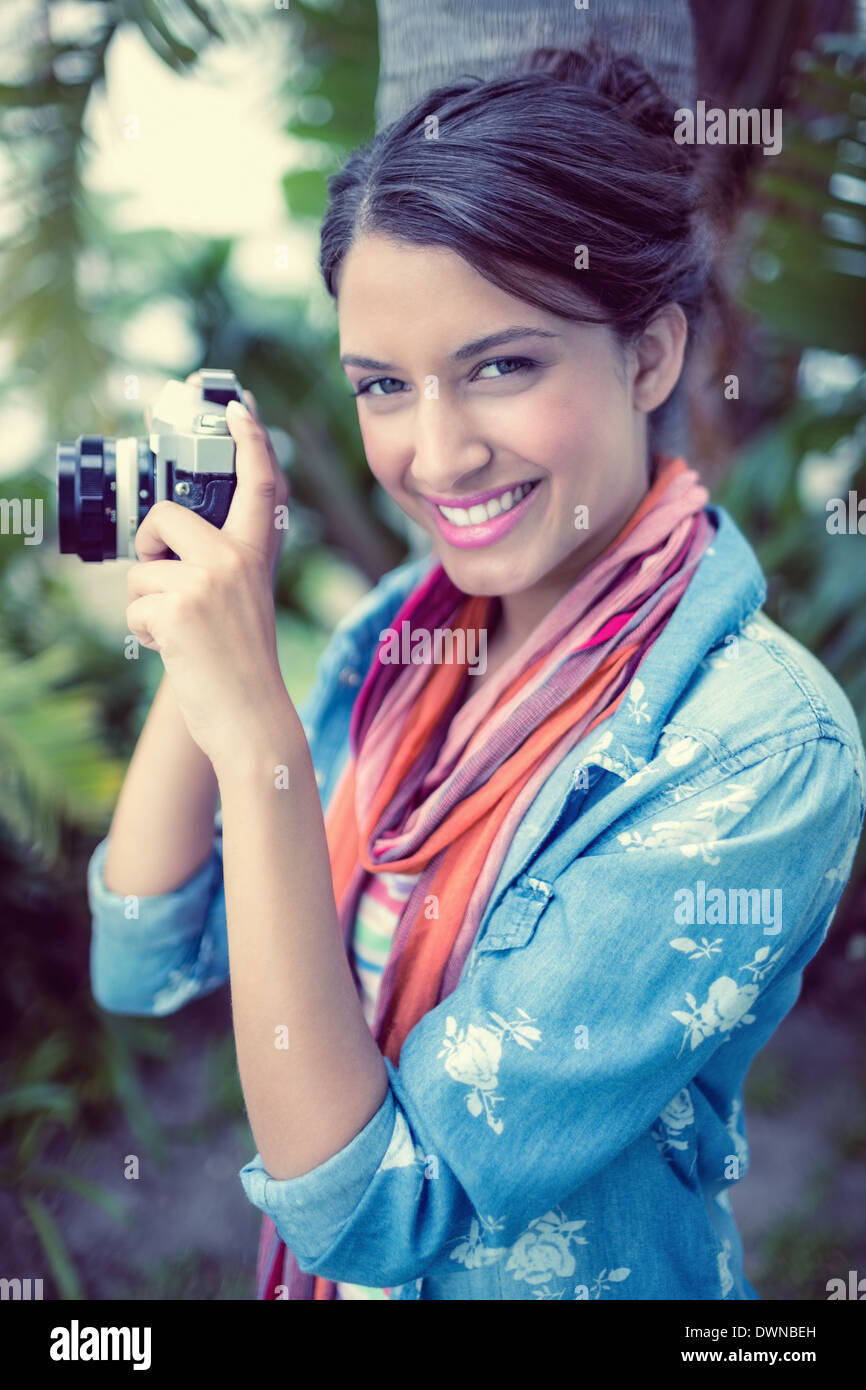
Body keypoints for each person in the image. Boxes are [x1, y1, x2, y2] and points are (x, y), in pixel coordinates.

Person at [86, 44, 866, 1301]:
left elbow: (378, 1209)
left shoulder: (757, 751)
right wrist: (202, 624)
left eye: (501, 365)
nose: (435, 455)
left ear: (651, 356)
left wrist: (268, 756)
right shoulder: (405, 638)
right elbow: (146, 955)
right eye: (383, 385)